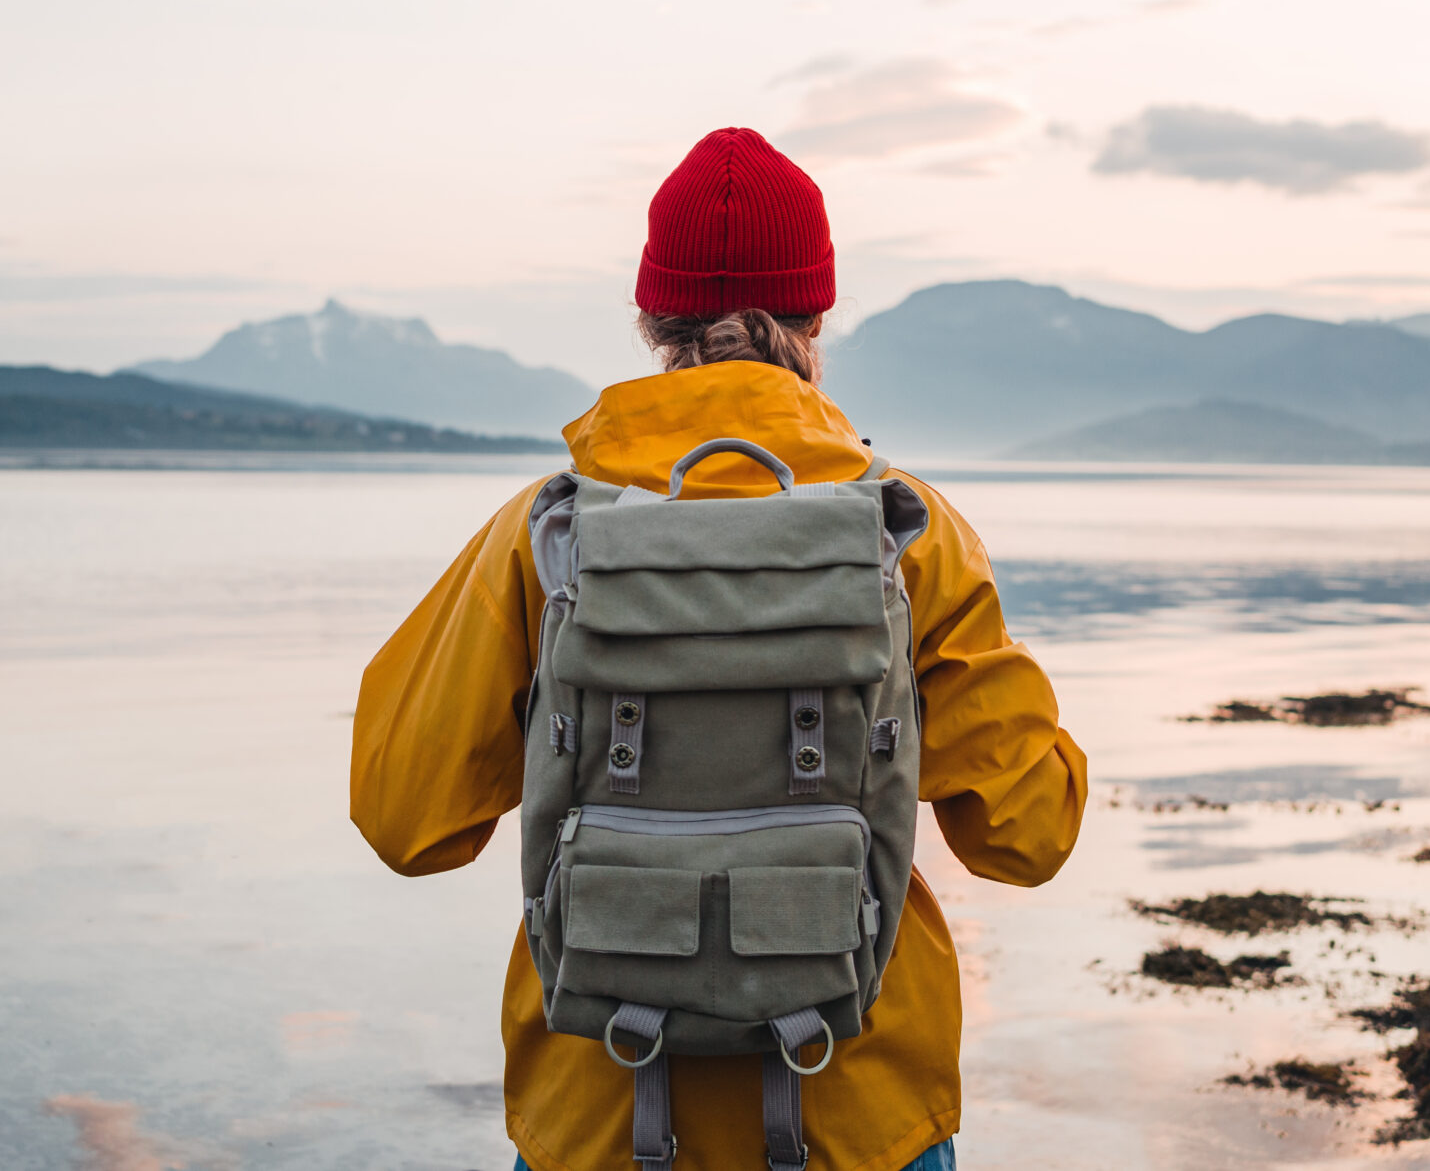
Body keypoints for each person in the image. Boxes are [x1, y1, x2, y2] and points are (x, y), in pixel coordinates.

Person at [350, 127, 1087, 1171]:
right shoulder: (911, 533)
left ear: (654, 316)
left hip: (600, 1115)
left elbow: (401, 816)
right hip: (855, 1115)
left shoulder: (545, 534)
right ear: (816, 312)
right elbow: (1031, 833)